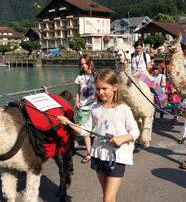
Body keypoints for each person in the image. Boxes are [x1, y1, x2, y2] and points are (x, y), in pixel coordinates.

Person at [57, 68, 140, 202]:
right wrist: (68, 123)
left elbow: (135, 131)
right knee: (107, 197)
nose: (100, 92)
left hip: (116, 158)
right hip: (99, 156)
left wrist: (122, 138)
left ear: (115, 87)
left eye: (104, 88)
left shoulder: (124, 109)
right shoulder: (94, 108)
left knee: (108, 198)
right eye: (97, 89)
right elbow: (86, 130)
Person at [75, 54, 96, 163]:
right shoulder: (79, 78)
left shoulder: (96, 76)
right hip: (83, 108)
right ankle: (89, 153)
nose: (83, 66)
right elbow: (78, 92)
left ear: (90, 63)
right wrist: (77, 102)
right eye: (81, 64)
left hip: (95, 107)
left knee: (96, 131)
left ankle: (99, 151)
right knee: (85, 132)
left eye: (85, 63)